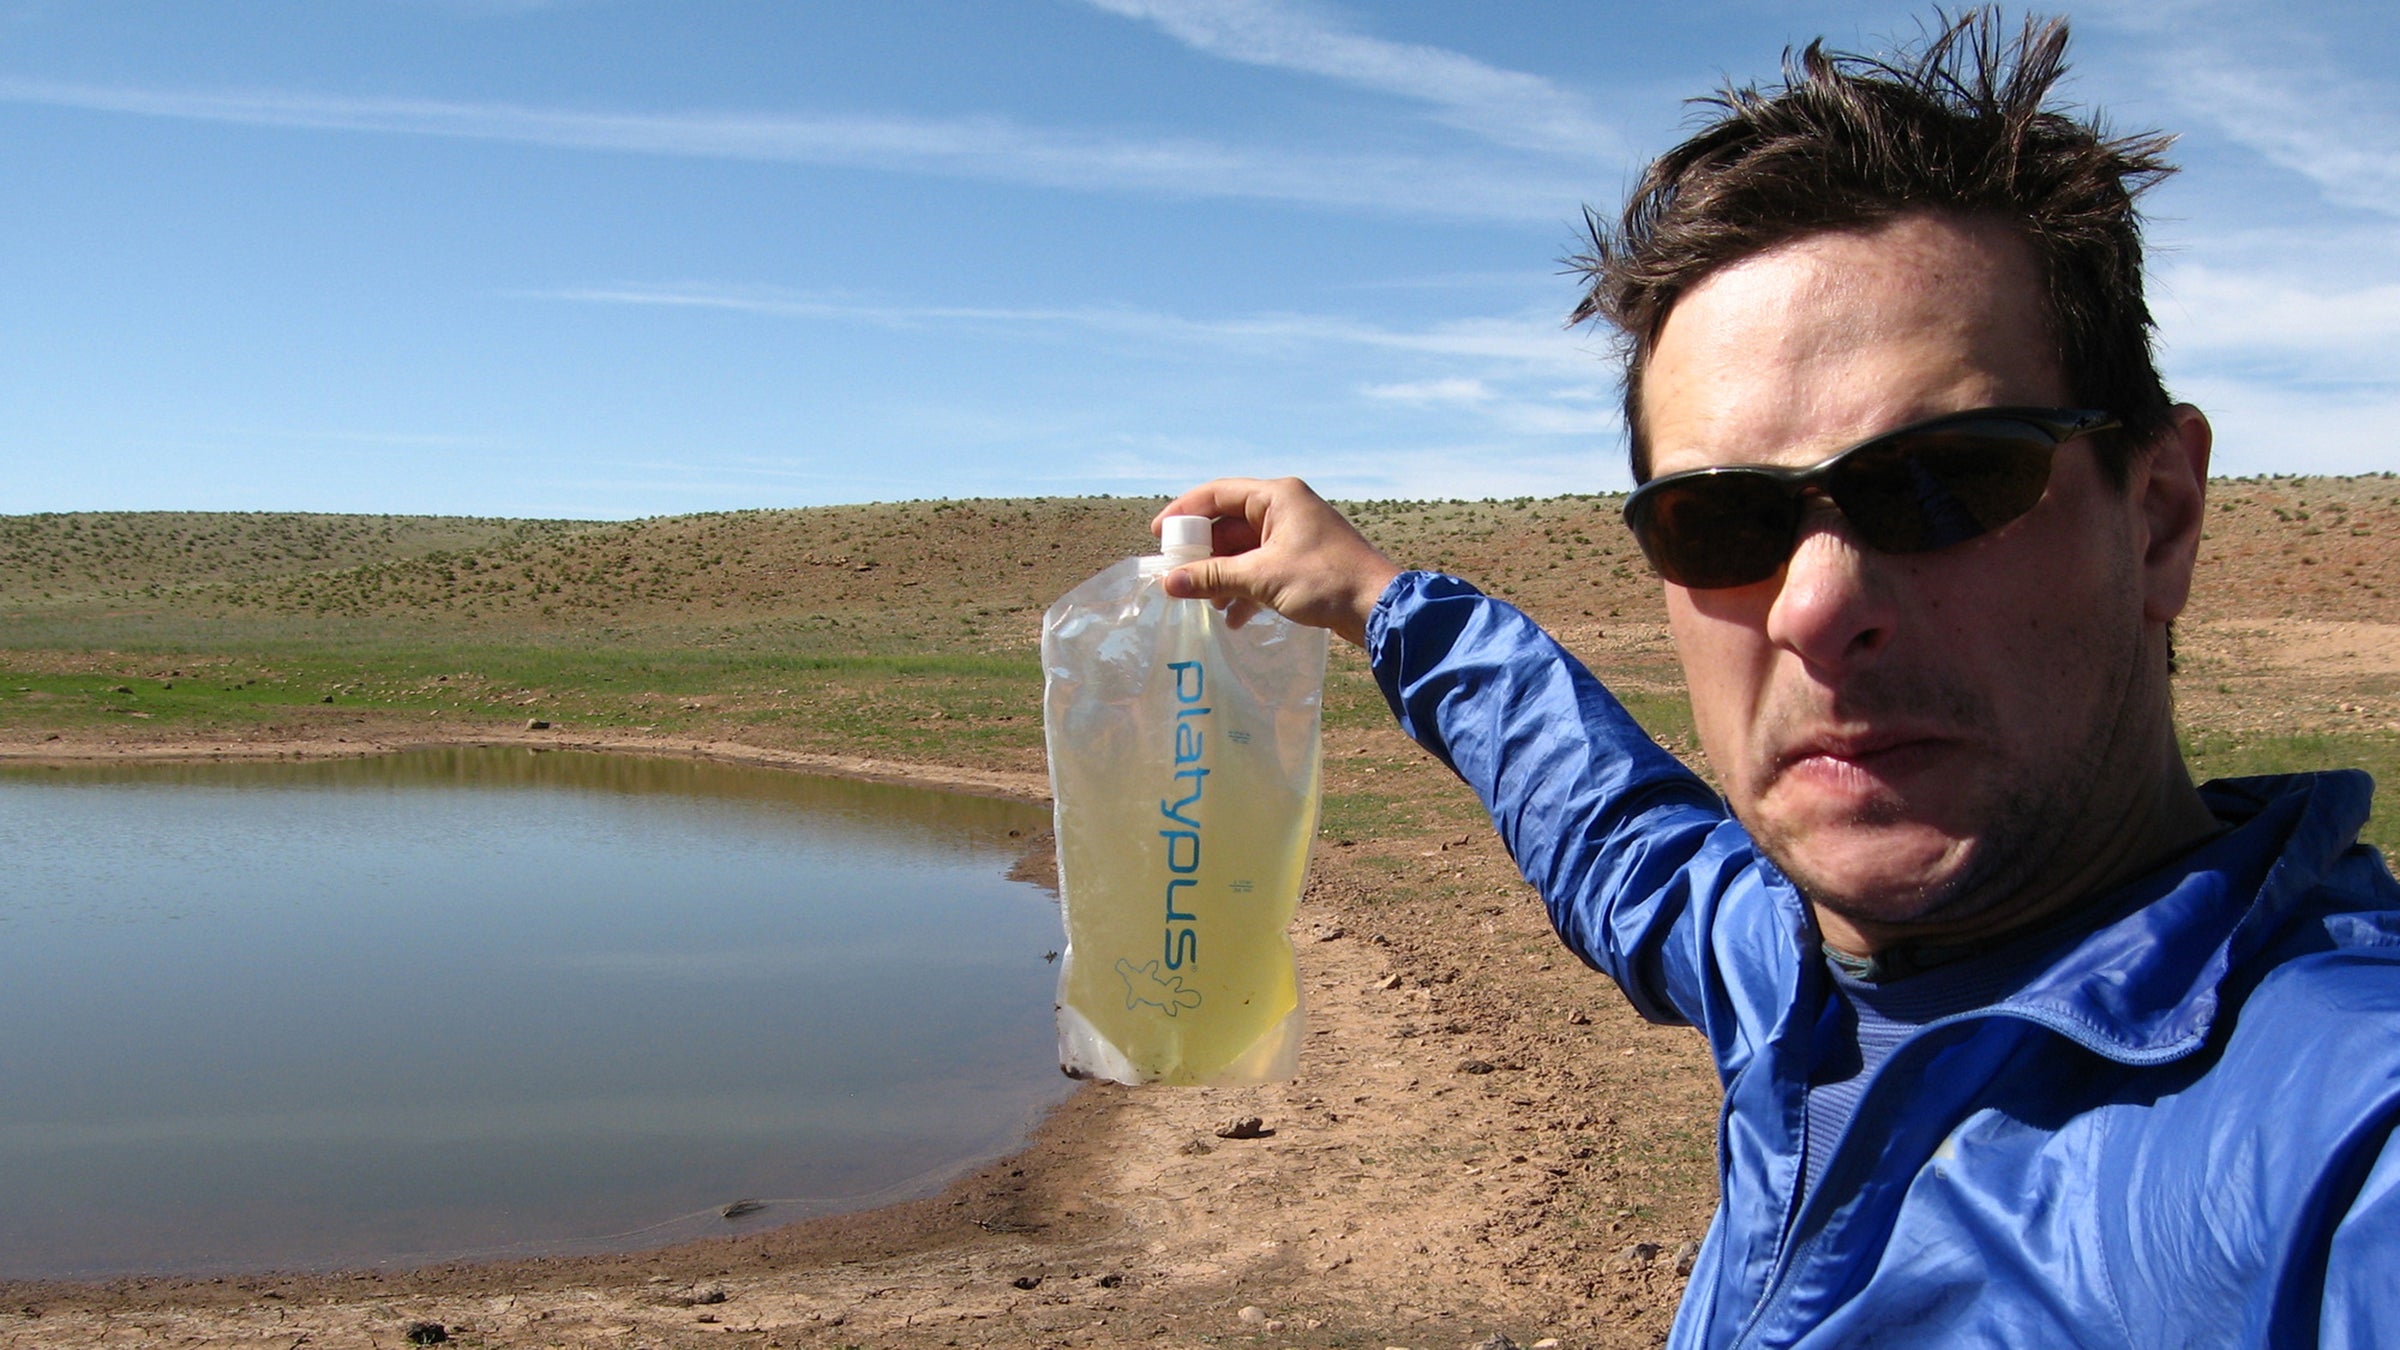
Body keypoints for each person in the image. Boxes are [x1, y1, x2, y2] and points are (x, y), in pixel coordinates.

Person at [1153, 12, 2400, 1347]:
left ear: (2156, 516)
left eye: (1943, 479)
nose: (1814, 606)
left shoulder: (2343, 1152)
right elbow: (1621, 835)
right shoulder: (1791, 969)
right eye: (1725, 524)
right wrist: (1379, 599)